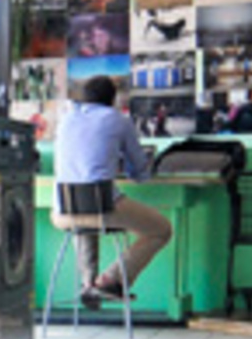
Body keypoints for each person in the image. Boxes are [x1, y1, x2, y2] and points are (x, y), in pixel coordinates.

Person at [53, 74, 172, 308]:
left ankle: (88, 284)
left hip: (62, 211)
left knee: (85, 218)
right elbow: (139, 169)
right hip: (102, 206)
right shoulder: (117, 119)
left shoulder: (66, 119)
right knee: (162, 230)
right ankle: (110, 279)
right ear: (113, 99)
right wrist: (138, 174)